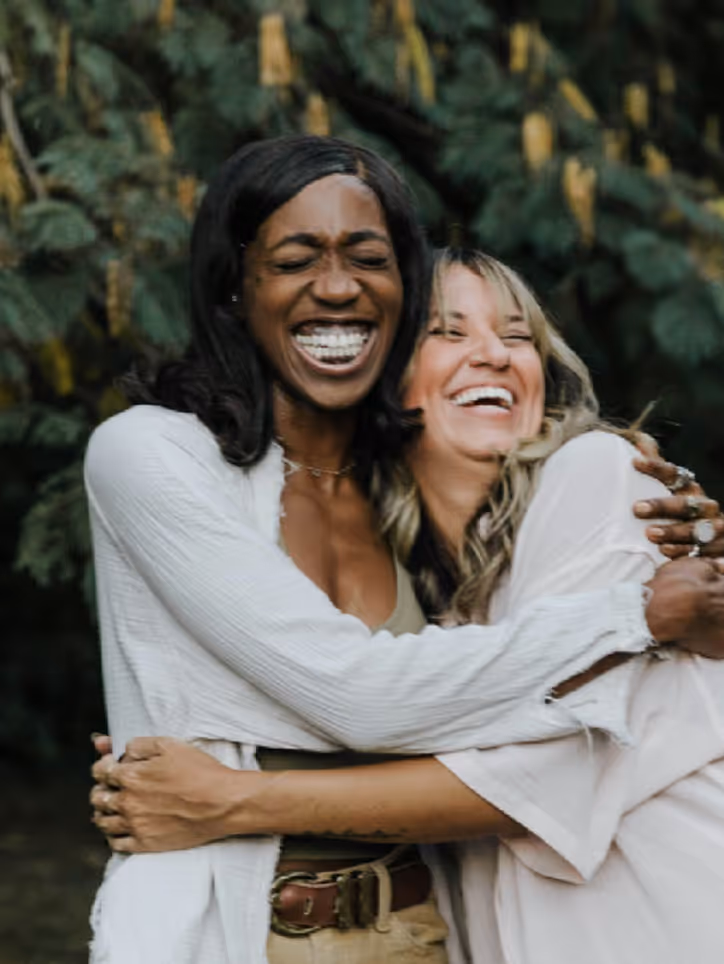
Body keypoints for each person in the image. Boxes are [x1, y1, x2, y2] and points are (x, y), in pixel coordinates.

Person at [84, 136, 724, 964]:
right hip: (235, 929)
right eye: (295, 257)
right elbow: (373, 696)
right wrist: (640, 617)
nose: (339, 285)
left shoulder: (561, 492)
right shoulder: (161, 457)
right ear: (235, 286)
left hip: (431, 930)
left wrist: (229, 798)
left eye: (368, 257)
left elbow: (523, 749)